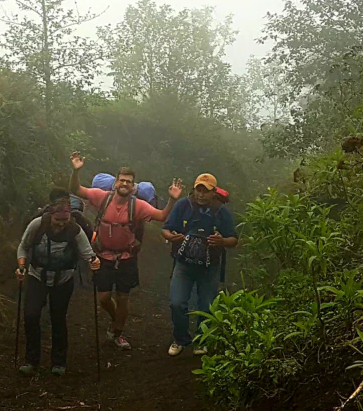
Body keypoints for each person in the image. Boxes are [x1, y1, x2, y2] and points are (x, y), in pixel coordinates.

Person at [69, 152, 183, 350]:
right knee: (104, 298)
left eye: (128, 182)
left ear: (133, 186)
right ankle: (116, 319)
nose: (124, 184)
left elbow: (162, 215)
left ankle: (118, 332)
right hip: (103, 254)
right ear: (115, 183)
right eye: (121, 180)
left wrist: (172, 200)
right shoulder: (101, 197)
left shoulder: (137, 205)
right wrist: (75, 171)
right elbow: (75, 189)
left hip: (126, 258)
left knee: (123, 298)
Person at [16, 188, 100, 376]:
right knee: (30, 316)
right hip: (37, 275)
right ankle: (31, 361)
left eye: (65, 220)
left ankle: (59, 362)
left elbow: (88, 253)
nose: (62, 224)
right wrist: (21, 266)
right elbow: (23, 246)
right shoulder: (37, 225)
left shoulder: (75, 230)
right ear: (50, 215)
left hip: (63, 279)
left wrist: (94, 262)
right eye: (57, 220)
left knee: (58, 318)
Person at [162, 173, 239, 356]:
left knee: (206, 306)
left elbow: (234, 239)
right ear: (194, 189)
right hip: (183, 264)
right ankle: (180, 338)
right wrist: (172, 237)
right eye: (199, 189)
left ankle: (202, 339)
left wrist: (221, 241)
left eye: (206, 191)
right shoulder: (183, 205)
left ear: (214, 193)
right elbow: (165, 228)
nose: (201, 194)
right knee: (177, 303)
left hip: (210, 266)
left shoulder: (222, 212)